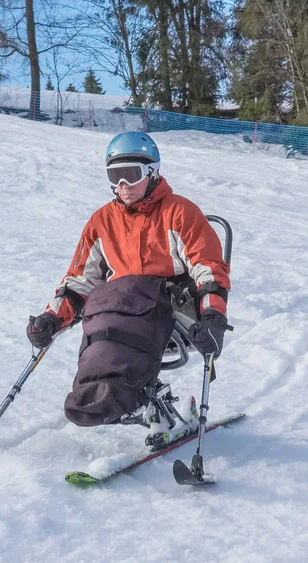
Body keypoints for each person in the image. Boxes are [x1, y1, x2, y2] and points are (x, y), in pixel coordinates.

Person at [27, 131, 231, 450]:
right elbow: (80, 280)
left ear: (152, 173)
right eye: (115, 176)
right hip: (126, 308)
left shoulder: (180, 213)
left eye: (131, 175)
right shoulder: (102, 221)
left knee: (124, 296)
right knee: (103, 308)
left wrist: (214, 316)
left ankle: (134, 398)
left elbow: (209, 269)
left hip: (178, 307)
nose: (122, 185)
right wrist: (52, 319)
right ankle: (100, 397)